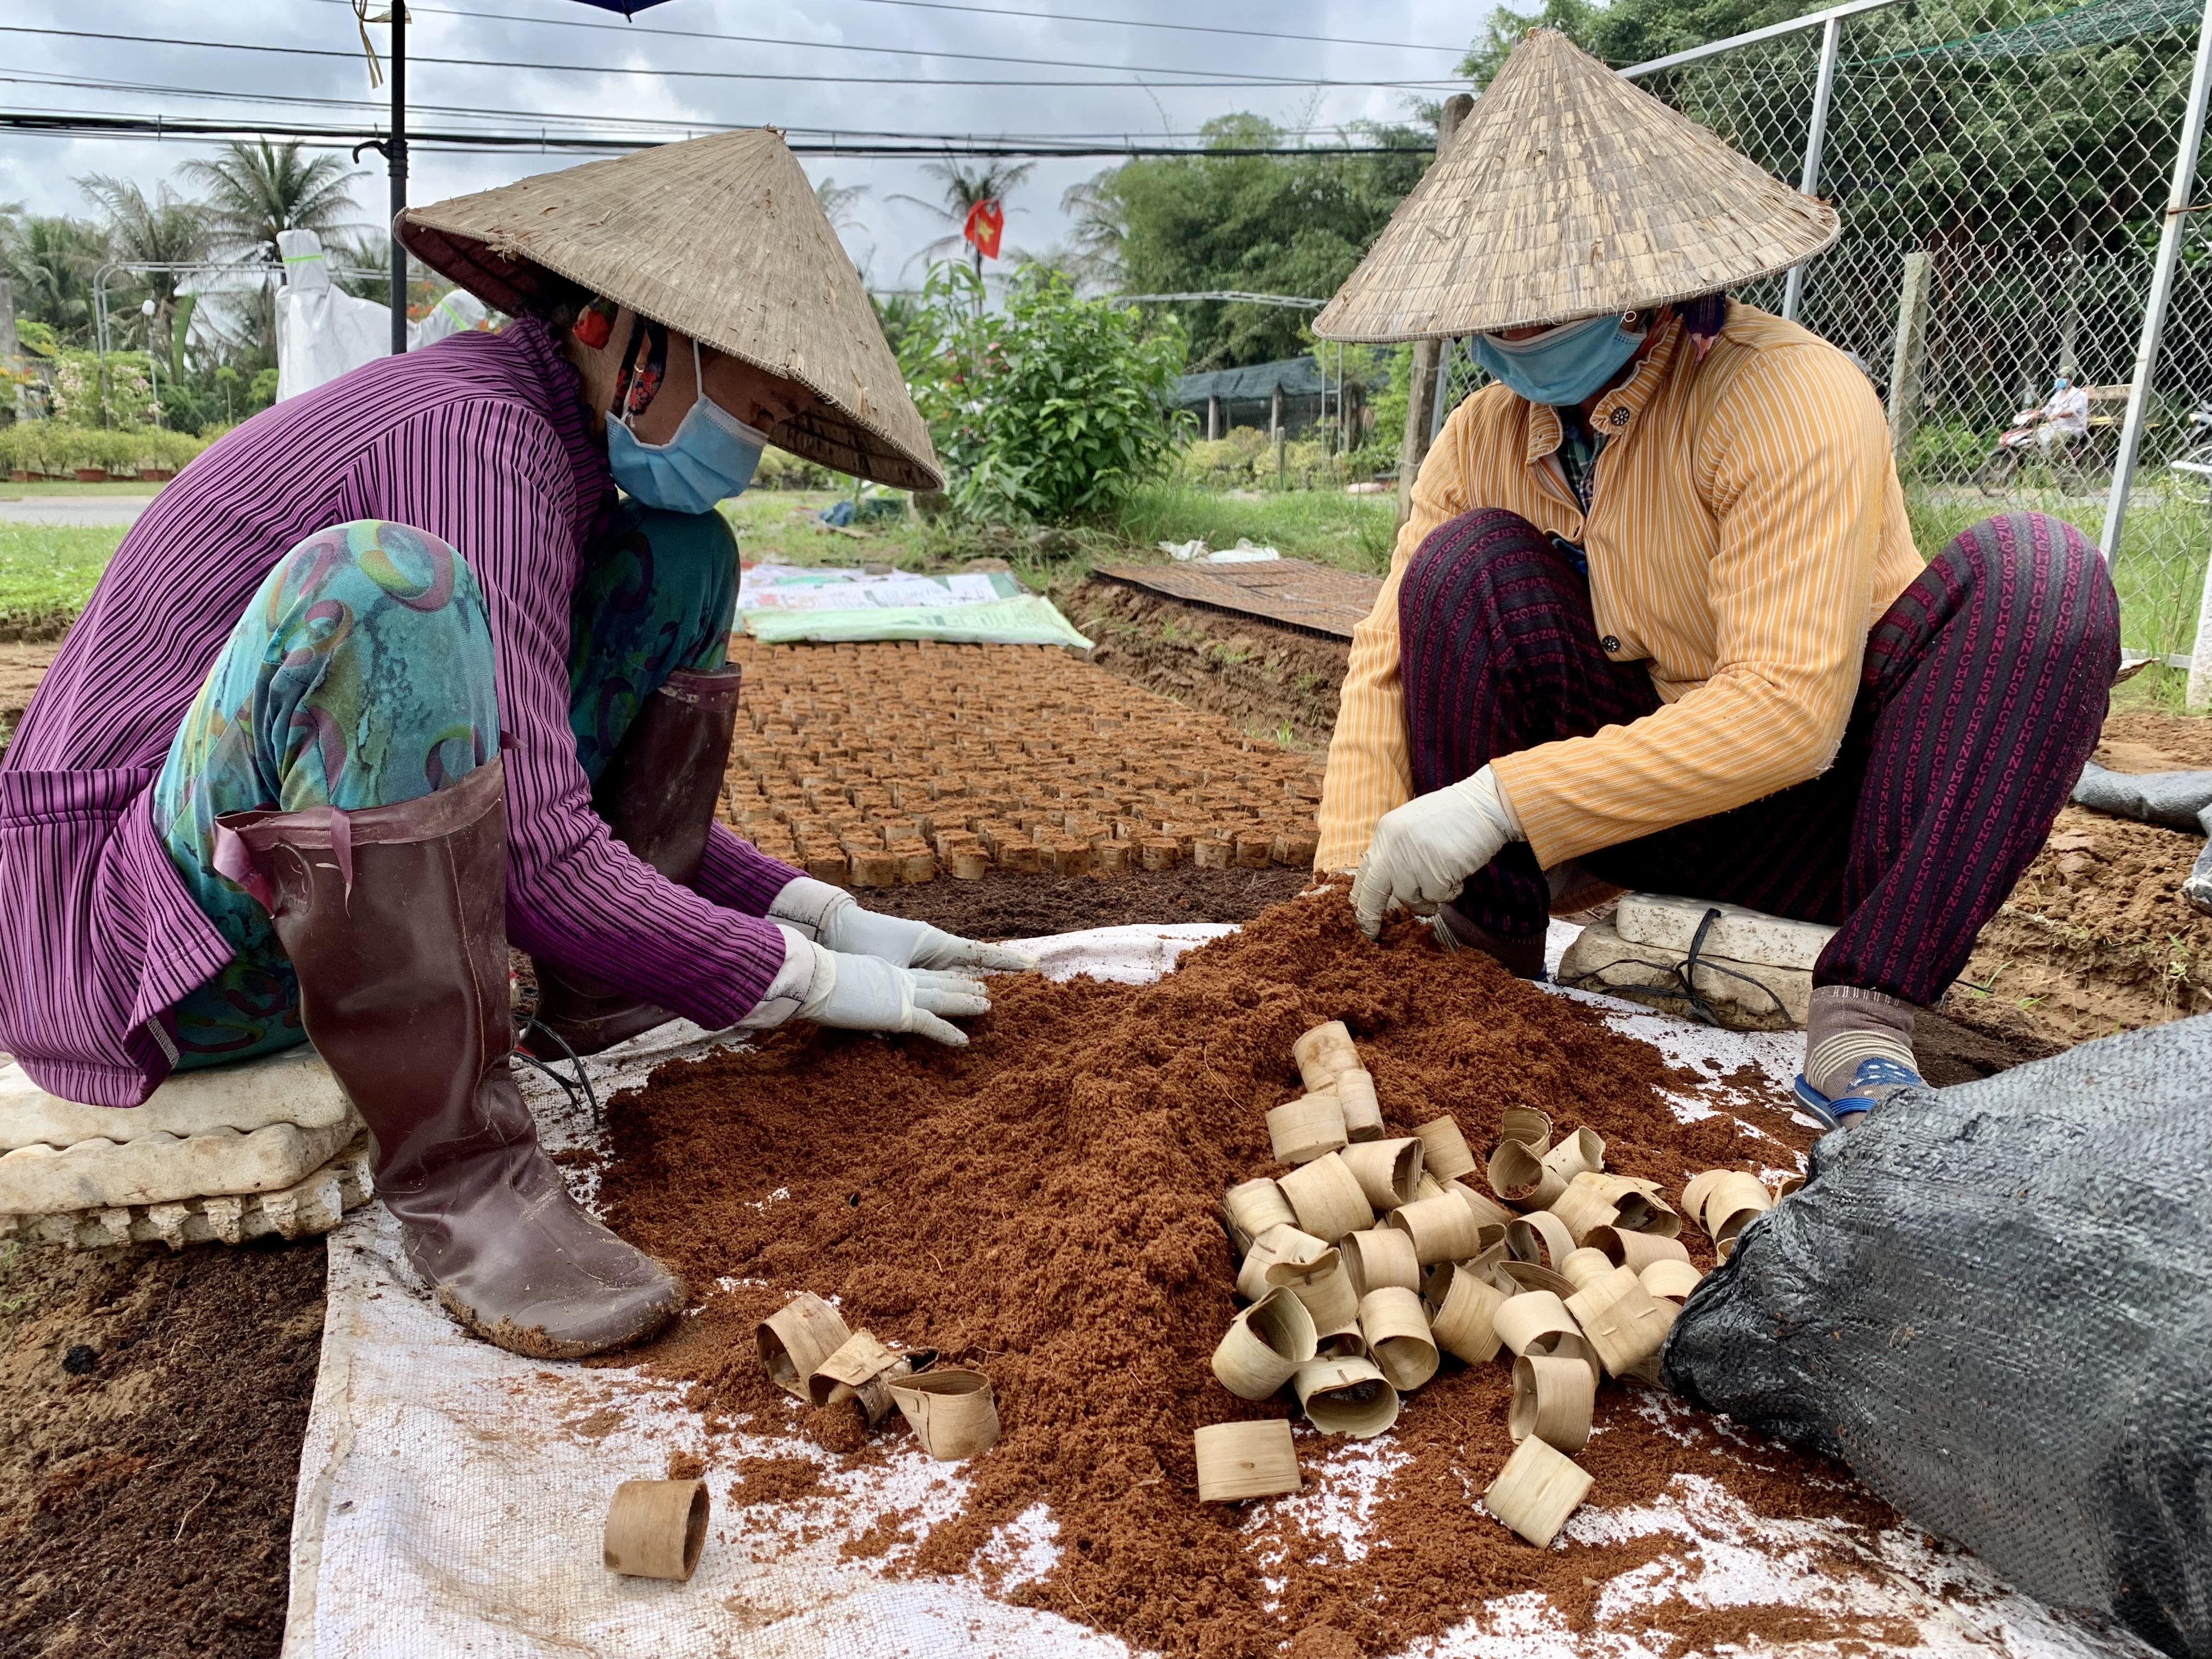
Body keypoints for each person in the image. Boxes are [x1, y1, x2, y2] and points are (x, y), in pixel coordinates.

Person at [0, 131, 1031, 1359]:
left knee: (678, 554)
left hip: (276, 896)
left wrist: (823, 911)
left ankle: (609, 984)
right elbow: (537, 852)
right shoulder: (471, 441)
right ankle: (465, 1178)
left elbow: (538, 774)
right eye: (746, 414)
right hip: (148, 954)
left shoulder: (562, 464)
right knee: (391, 585)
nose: (744, 457)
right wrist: (803, 982)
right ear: (626, 339)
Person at [1310, 33, 2118, 1130]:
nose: (1506, 341)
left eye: (1535, 310)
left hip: (1828, 811)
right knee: (1462, 573)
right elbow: (1388, 656)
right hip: (1640, 810)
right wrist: (1338, 894)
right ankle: (1479, 966)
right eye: (1486, 317)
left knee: (2045, 577)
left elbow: (1789, 718)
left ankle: (1864, 1018)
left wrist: (1499, 801)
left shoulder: (1788, 397)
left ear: (1640, 290)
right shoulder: (1483, 436)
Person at [2022, 374, 2091, 454]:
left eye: (2064, 378)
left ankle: (2055, 460)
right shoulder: (2057, 397)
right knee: (2036, 433)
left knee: (2055, 438)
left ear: (2071, 379)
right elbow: (2049, 408)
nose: (2060, 379)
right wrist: (2035, 414)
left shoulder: (2080, 395)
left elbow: (2072, 413)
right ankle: (2044, 457)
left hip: (2072, 428)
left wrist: (2057, 415)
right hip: (2055, 427)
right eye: (2059, 377)